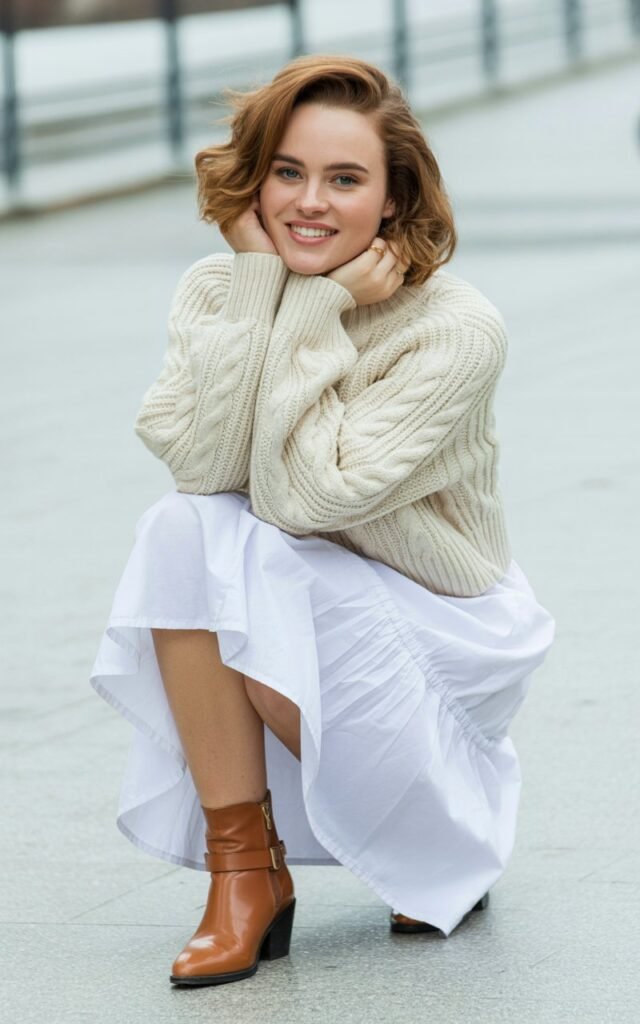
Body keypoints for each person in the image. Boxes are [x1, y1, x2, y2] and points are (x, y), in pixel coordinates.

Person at [89, 54, 555, 988]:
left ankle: (441, 818)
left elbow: (310, 499)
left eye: (346, 179)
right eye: (289, 171)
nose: (310, 202)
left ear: (393, 199)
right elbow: (205, 469)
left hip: (441, 619)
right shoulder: (220, 290)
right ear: (256, 176)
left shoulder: (454, 327)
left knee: (264, 549)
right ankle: (244, 873)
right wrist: (267, 283)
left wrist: (317, 307)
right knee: (182, 531)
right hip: (309, 578)